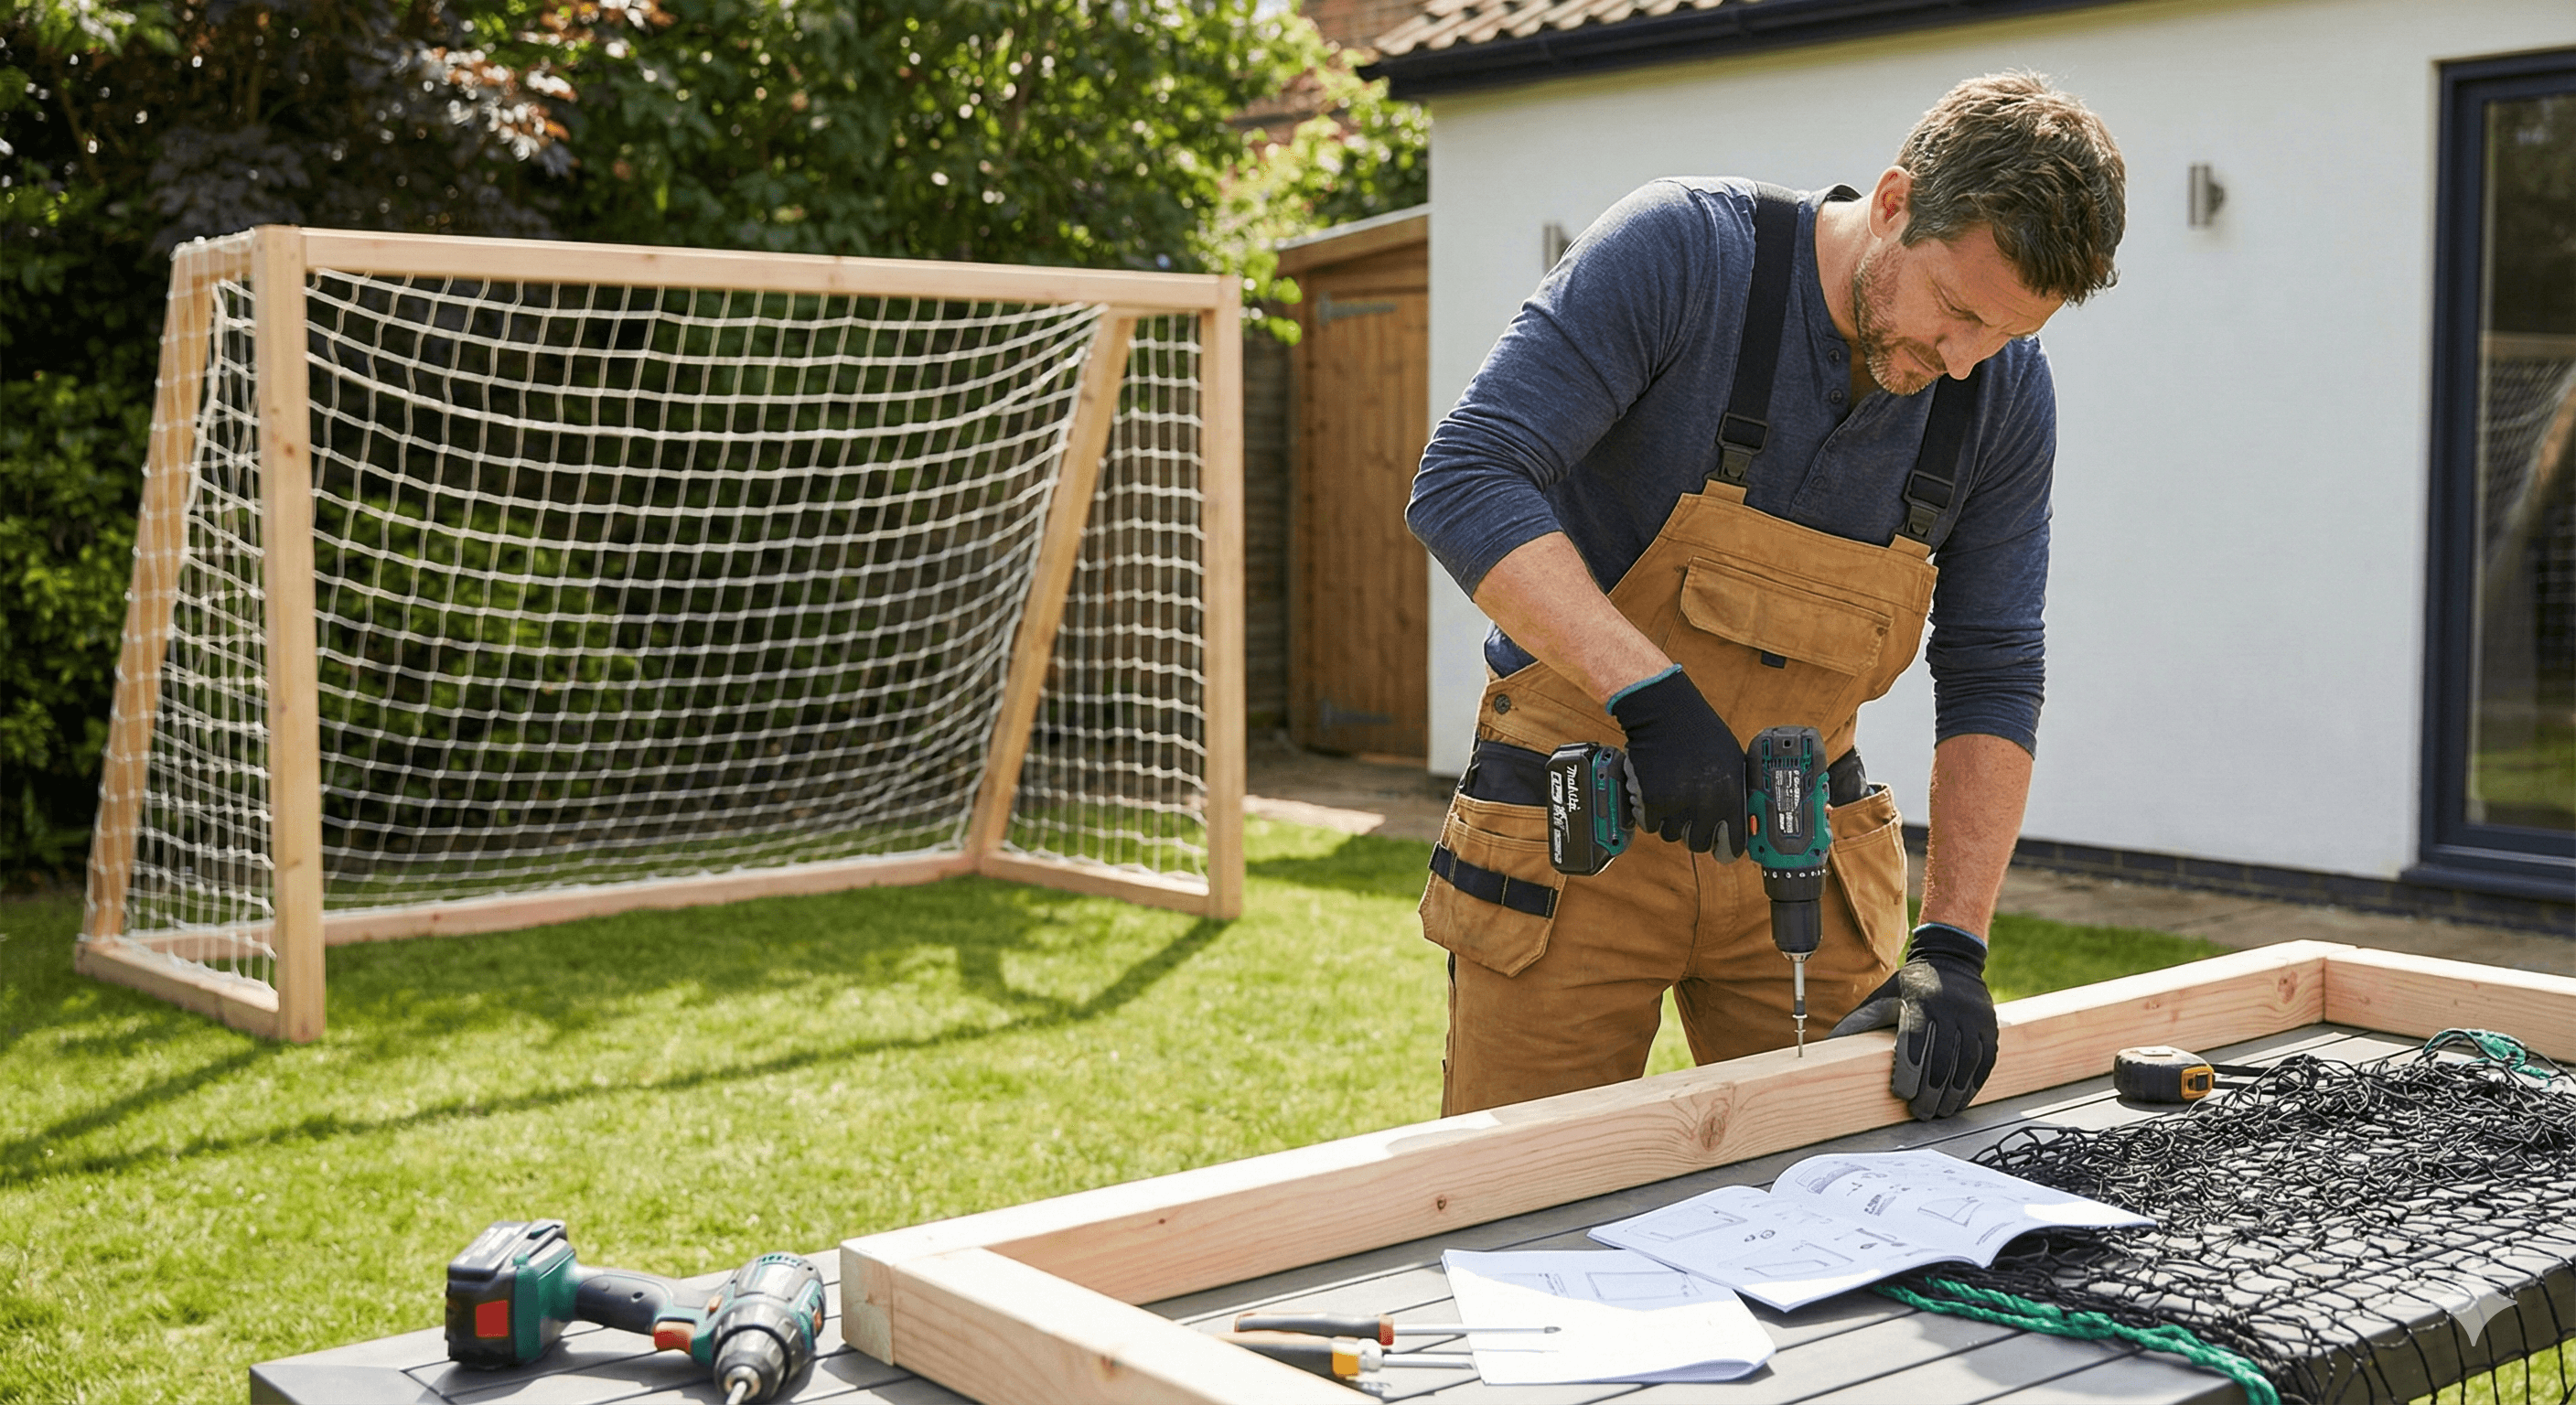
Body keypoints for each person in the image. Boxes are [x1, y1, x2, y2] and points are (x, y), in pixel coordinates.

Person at [1406, 71, 2127, 1121]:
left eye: (2005, 335)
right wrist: (1644, 692)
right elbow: (1466, 478)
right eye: (1956, 310)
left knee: (1842, 1204)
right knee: (1520, 1207)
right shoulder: (1683, 255)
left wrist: (1954, 943)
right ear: (1892, 203)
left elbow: (1993, 668)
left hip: (1798, 841)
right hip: (1574, 834)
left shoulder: (1999, 395)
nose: (1963, 361)